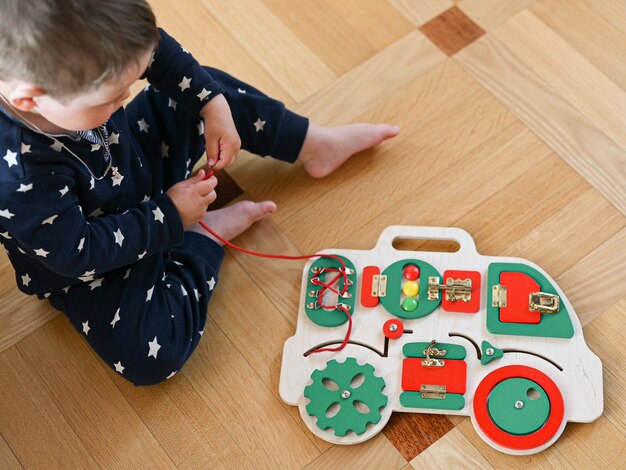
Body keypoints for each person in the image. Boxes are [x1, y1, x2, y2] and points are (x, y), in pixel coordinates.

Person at [0, 0, 399, 385]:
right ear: (29, 99)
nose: (126, 98)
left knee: (199, 87)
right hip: (94, 261)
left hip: (135, 169)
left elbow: (158, 54)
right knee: (151, 357)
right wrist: (170, 217)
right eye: (112, 98)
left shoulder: (87, 60)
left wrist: (211, 106)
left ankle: (313, 144)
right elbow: (76, 252)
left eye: (131, 81)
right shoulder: (17, 176)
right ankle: (202, 239)